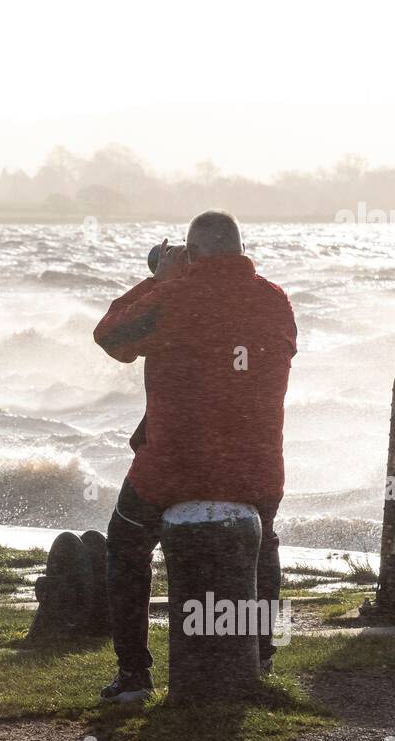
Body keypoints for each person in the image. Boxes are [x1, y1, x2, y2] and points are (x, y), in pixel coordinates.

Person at [92, 210, 297, 702]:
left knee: (125, 544)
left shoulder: (173, 296)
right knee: (262, 540)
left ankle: (135, 677)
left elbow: (110, 335)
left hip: (173, 466)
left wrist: (158, 279)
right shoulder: (275, 301)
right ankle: (261, 654)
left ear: (195, 252)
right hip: (257, 467)